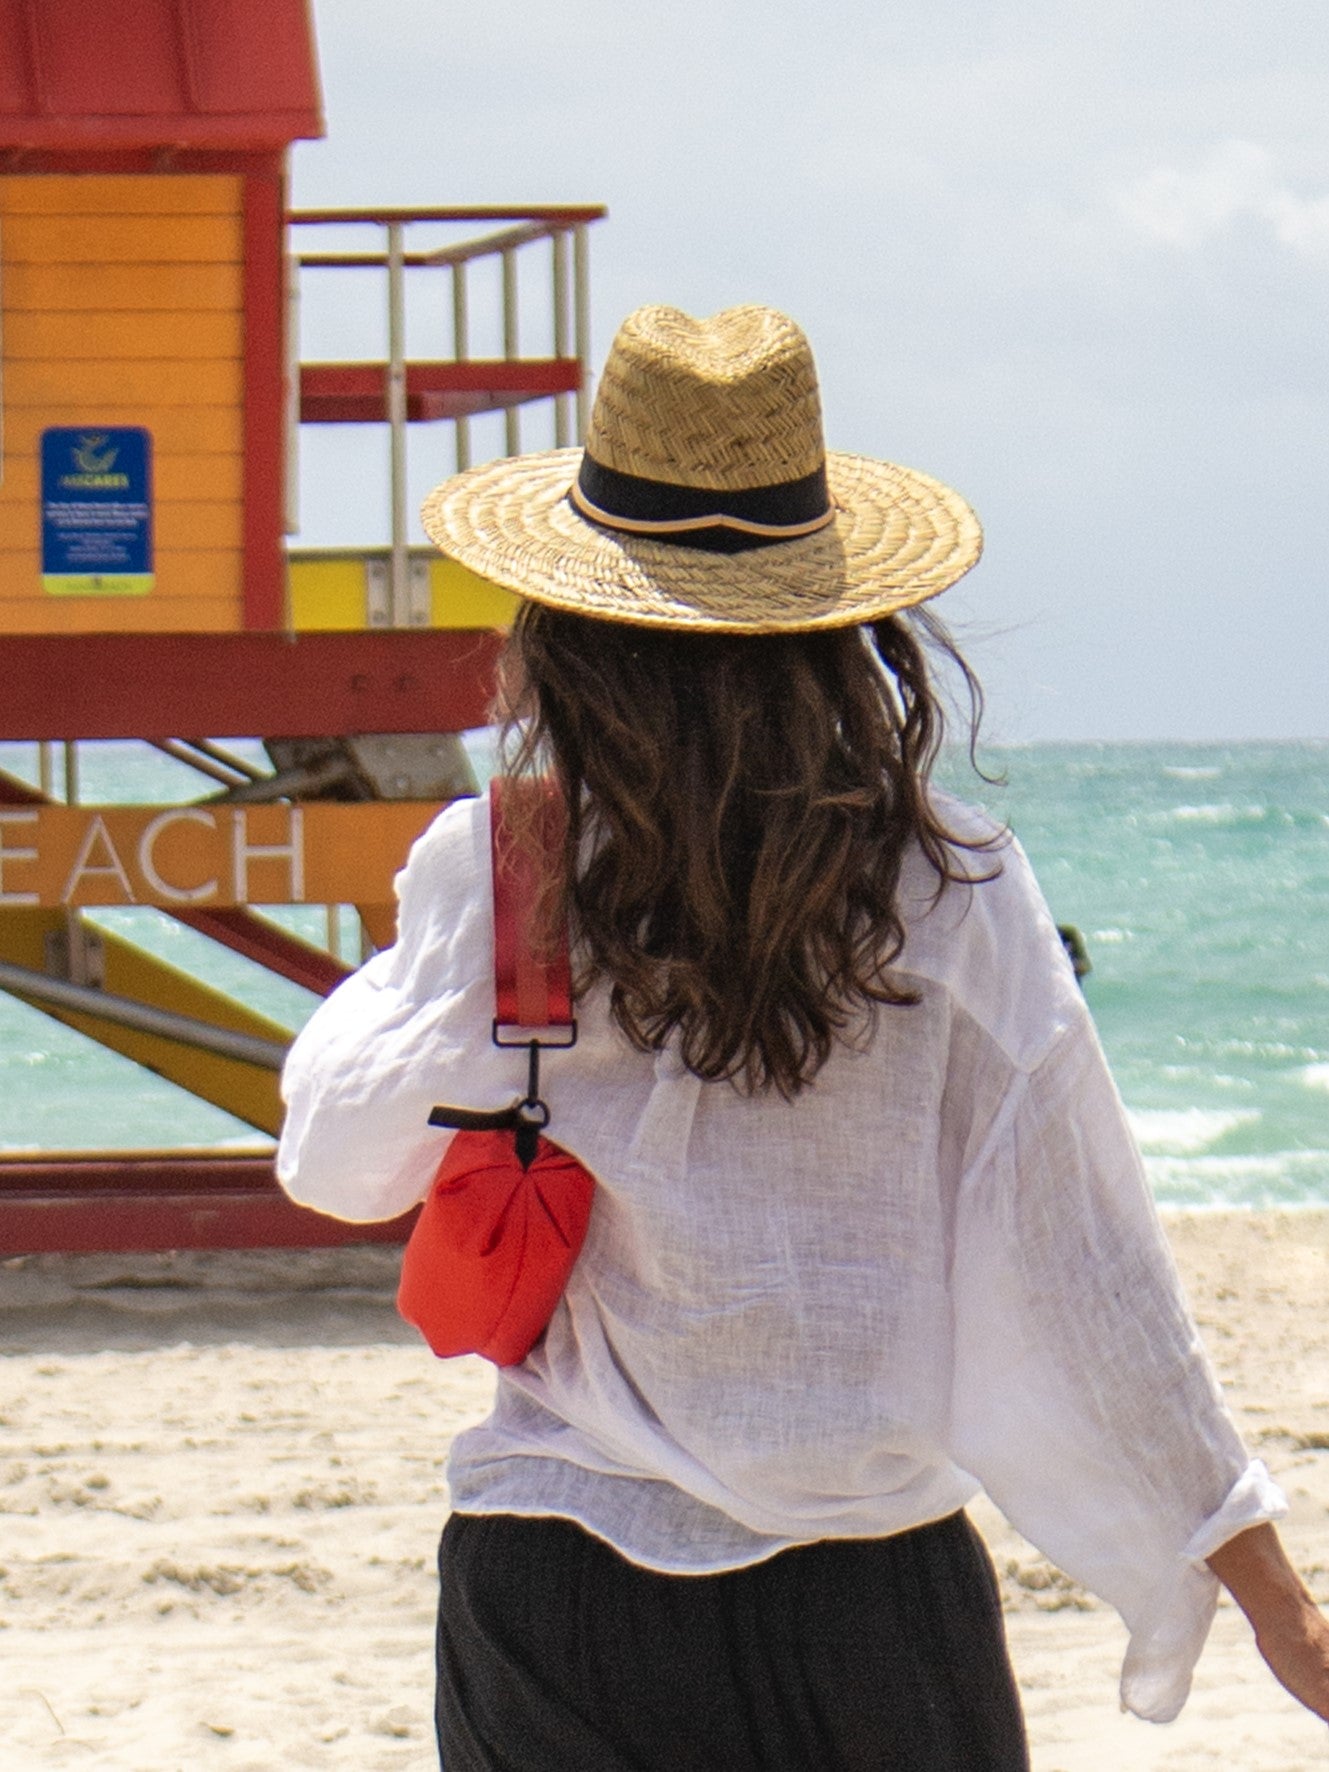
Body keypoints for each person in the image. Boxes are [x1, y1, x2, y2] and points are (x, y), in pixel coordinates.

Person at [277, 304, 1329, 1769]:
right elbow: (1086, 1253)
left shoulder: (505, 867)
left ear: (568, 624)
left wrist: (449, 970)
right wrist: (1268, 1594)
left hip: (567, 1573)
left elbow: (335, 1163)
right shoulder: (950, 883)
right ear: (840, 624)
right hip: (874, 1603)